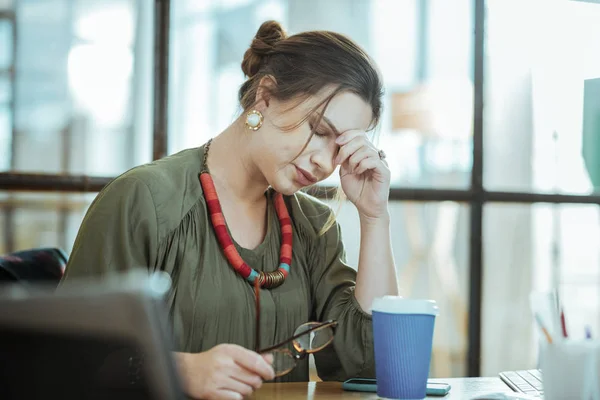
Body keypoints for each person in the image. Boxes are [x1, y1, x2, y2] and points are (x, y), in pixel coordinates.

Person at [61, 20, 398, 400]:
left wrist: (374, 217)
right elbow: (65, 358)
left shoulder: (313, 227)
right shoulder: (143, 200)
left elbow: (375, 368)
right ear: (266, 97)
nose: (325, 162)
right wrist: (178, 370)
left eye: (341, 148)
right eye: (319, 129)